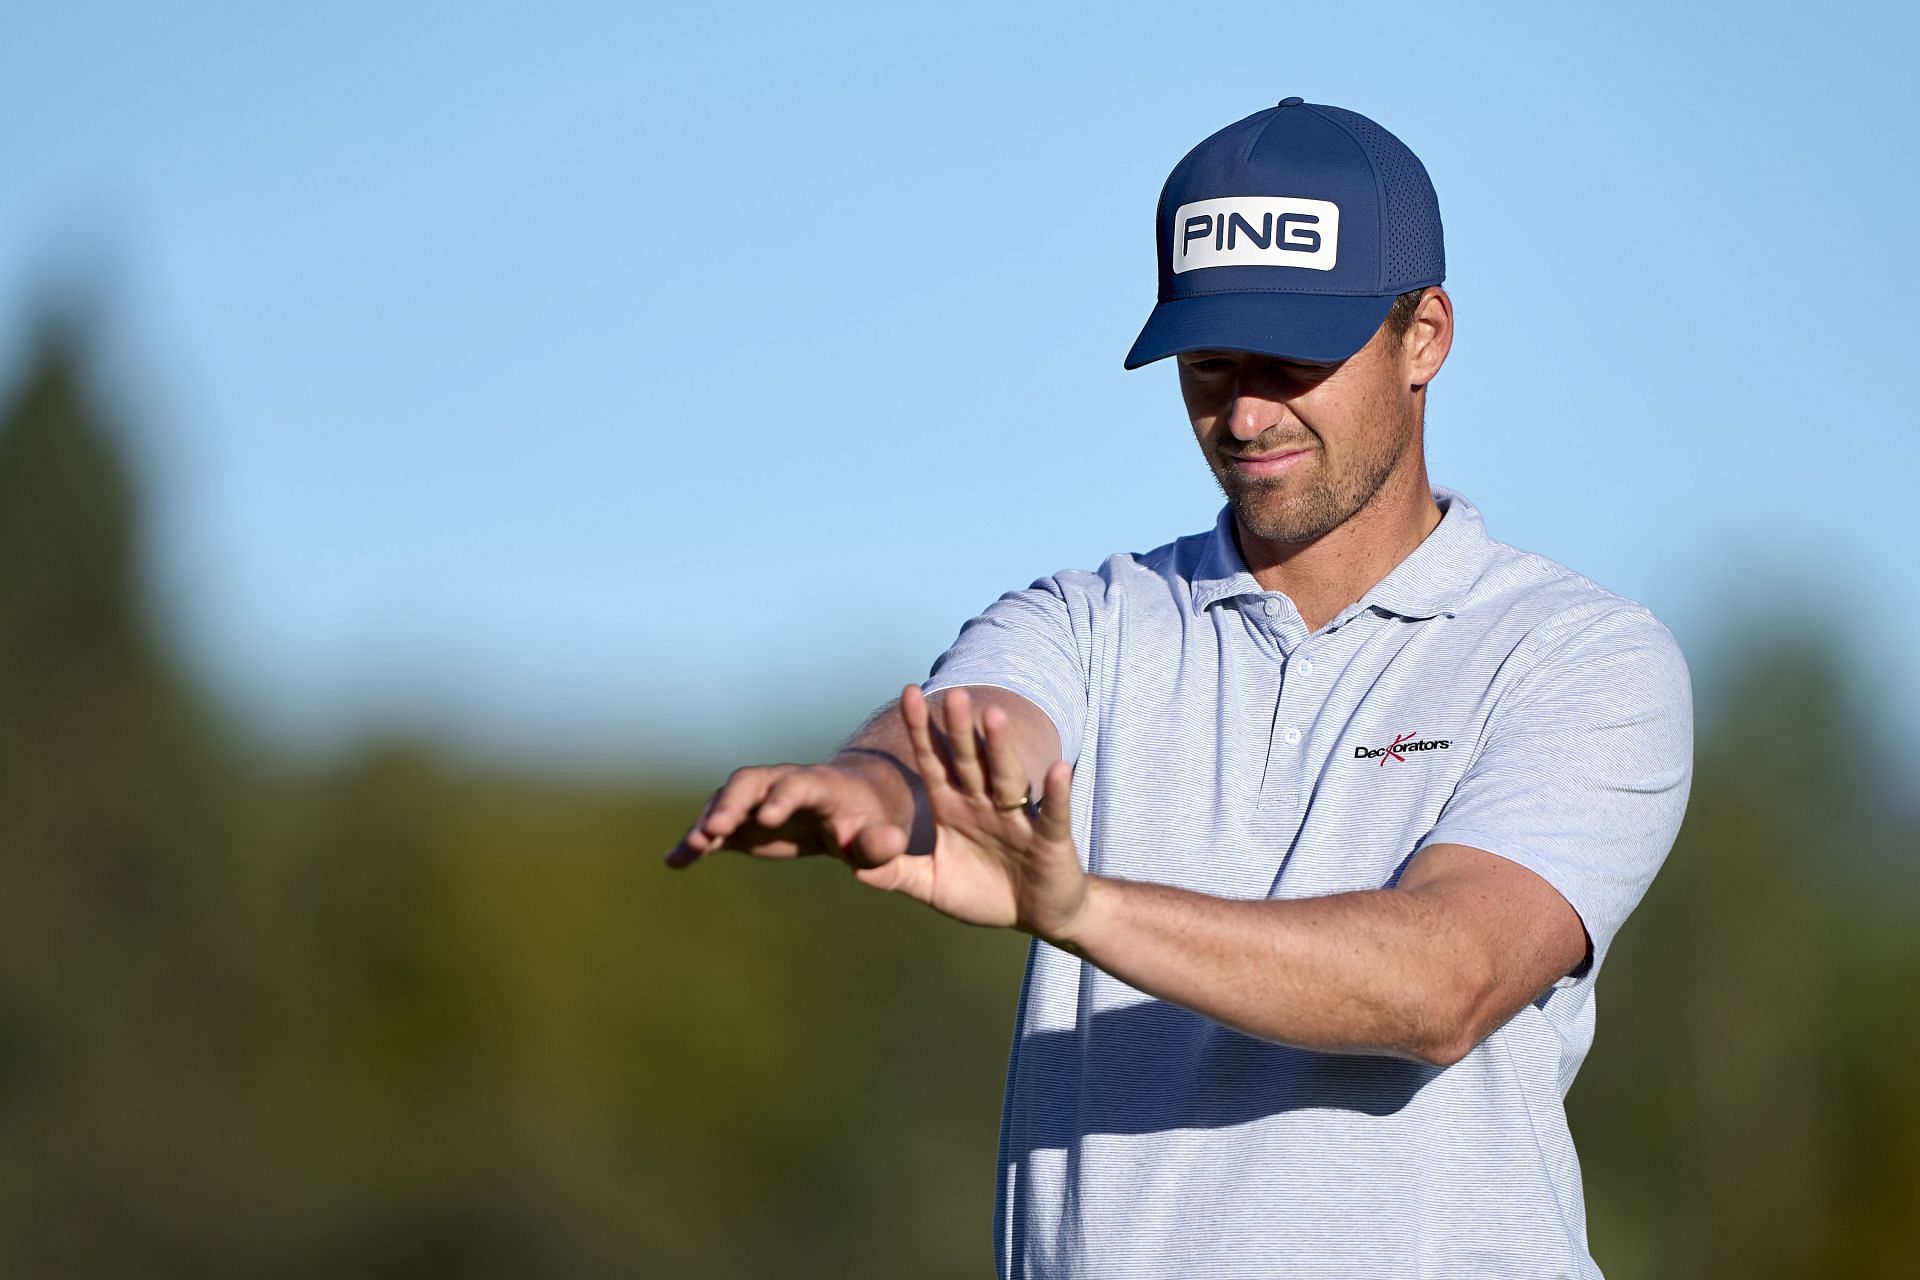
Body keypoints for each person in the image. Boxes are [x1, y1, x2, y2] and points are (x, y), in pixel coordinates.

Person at [664, 97, 1692, 1280]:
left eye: (1294, 360)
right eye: (1211, 364)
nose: (1245, 413)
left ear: (1426, 336)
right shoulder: (1086, 618)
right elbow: (975, 732)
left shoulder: (1580, 654)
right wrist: (878, 785)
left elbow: (1443, 980)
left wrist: (1080, 905)